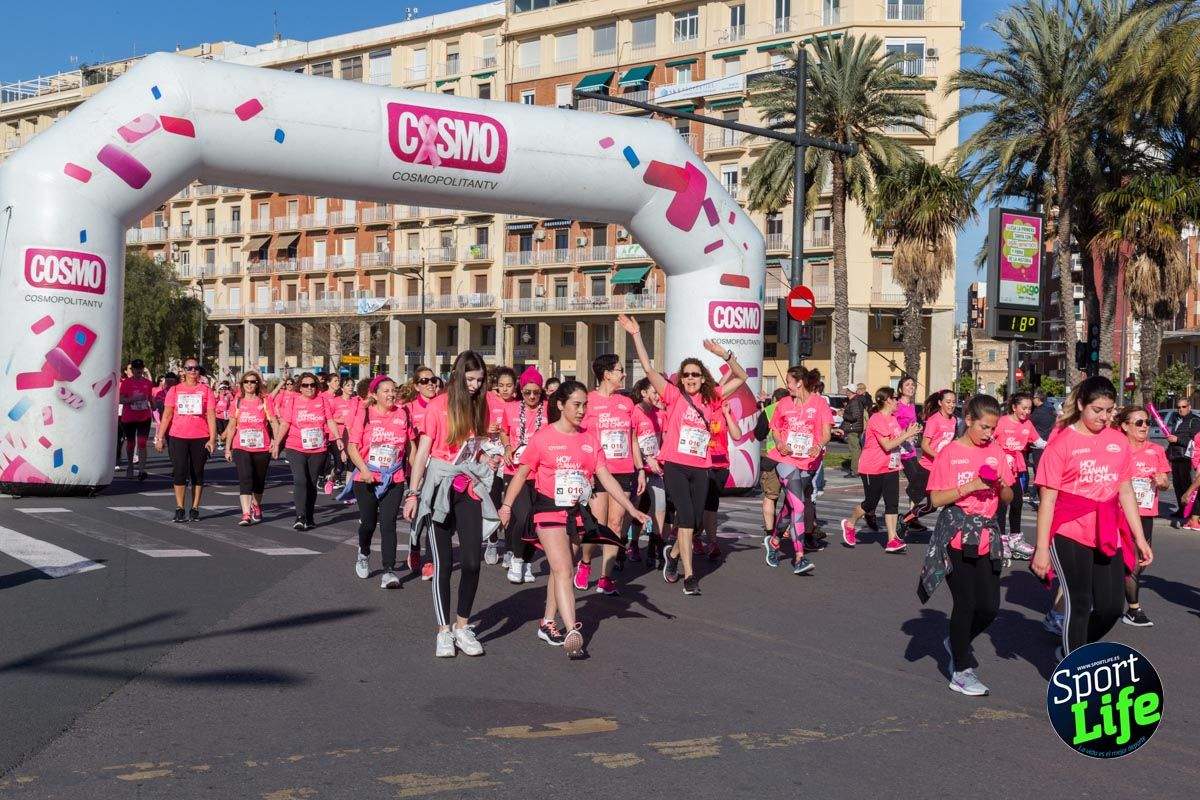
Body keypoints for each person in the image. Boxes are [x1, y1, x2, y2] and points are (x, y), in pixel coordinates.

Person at [499, 380, 649, 657]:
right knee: (564, 570)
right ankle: (572, 630)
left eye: (585, 405)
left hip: (576, 515)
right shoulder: (543, 437)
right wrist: (507, 505)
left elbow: (606, 477)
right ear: (560, 406)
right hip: (547, 510)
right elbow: (521, 474)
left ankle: (546, 622)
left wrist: (630, 507)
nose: (582, 410)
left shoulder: (589, 439)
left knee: (560, 571)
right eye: (576, 405)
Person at [617, 313, 748, 596]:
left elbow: (742, 376)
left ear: (703, 378)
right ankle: (690, 576)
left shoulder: (713, 397)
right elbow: (648, 368)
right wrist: (636, 334)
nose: (690, 378)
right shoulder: (674, 396)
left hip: (701, 466)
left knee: (697, 522)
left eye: (695, 375)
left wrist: (723, 353)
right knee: (687, 517)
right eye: (686, 374)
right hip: (676, 464)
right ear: (681, 378)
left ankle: (673, 555)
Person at [1032, 376, 1153, 657]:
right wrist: (1040, 550)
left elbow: (1125, 491)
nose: (1104, 417)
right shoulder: (1061, 443)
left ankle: (1072, 650)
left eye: (1109, 410)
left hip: (1107, 529)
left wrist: (1139, 538)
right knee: (1080, 601)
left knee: (1111, 607)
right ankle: (1073, 667)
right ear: (1081, 404)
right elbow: (1047, 499)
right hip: (1069, 531)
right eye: (1097, 410)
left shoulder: (1117, 441)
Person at [404, 351, 501, 658]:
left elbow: (477, 446)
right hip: (439, 485)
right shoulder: (437, 407)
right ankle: (444, 630)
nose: (475, 385)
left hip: (467, 483)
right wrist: (413, 492)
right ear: (459, 376)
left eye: (480, 380)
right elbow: (423, 452)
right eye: (470, 379)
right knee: (444, 564)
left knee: (472, 561)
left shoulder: (480, 406)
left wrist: (489, 458)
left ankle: (463, 625)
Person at [919, 394, 1013, 697]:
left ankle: (956, 640)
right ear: (968, 420)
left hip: (987, 536)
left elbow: (1009, 497)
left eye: (993, 429)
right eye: (984, 427)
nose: (989, 434)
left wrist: (1000, 486)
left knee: (989, 608)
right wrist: (969, 486)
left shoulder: (997, 452)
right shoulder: (950, 453)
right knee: (966, 603)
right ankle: (960, 670)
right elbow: (935, 500)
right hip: (956, 536)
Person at [575, 354, 644, 595]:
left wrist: (641, 470)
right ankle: (585, 563)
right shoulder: (589, 401)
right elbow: (579, 435)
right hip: (596, 471)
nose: (623, 374)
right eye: (619, 370)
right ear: (606, 374)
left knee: (616, 524)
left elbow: (633, 439)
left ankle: (605, 577)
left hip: (623, 471)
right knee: (597, 524)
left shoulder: (627, 404)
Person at [347, 375, 414, 590]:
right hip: (367, 477)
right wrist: (364, 470)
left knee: (388, 524)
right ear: (374, 395)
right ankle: (364, 552)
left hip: (394, 477)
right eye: (385, 390)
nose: (391, 394)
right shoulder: (365, 413)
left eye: (393, 390)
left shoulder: (402, 413)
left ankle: (388, 570)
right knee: (368, 523)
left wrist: (414, 476)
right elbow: (352, 447)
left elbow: (410, 447)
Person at [763, 366, 832, 575]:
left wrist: (818, 446)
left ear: (799, 382)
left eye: (789, 381)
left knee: (791, 507)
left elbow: (826, 433)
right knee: (800, 506)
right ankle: (799, 557)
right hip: (784, 460)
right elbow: (774, 429)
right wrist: (780, 442)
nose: (787, 385)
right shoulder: (783, 403)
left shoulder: (819, 403)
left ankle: (774, 541)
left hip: (808, 462)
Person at [841, 387, 919, 552]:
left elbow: (895, 439)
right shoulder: (877, 419)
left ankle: (891, 540)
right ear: (887, 400)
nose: (897, 402)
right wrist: (906, 435)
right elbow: (887, 444)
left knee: (892, 503)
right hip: (872, 467)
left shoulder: (892, 418)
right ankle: (850, 523)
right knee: (870, 504)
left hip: (891, 466)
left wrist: (908, 434)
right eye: (895, 399)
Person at [1115, 406, 1168, 627]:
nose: (1145, 426)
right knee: (1134, 563)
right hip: (1119, 513)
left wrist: (1162, 482)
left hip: (1145, 513)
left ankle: (1114, 583)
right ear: (1125, 426)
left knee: (1142, 562)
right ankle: (1134, 609)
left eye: (1147, 422)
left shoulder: (1156, 450)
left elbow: (1165, 482)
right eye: (1139, 423)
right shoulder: (1116, 450)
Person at [272, 372, 342, 530]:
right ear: (300, 387)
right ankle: (300, 516)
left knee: (311, 483)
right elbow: (285, 423)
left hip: (318, 448)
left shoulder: (322, 400)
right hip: (295, 446)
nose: (309, 388)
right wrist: (277, 443)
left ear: (317, 386)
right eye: (305, 385)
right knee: (300, 480)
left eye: (312, 385)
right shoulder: (293, 400)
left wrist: (337, 438)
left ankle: (309, 516)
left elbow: (330, 420)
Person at [154, 357, 217, 522]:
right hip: (178, 436)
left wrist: (213, 438)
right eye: (189, 368)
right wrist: (160, 437)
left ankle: (195, 507)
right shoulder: (174, 390)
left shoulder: (206, 391)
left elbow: (211, 415)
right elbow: (166, 415)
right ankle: (180, 507)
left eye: (195, 368)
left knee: (197, 473)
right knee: (180, 472)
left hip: (200, 437)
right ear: (184, 371)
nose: (193, 371)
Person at [502, 367, 548, 585]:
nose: (531, 397)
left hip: (541, 474)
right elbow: (503, 431)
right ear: (521, 390)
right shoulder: (510, 409)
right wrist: (507, 446)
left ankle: (528, 562)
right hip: (515, 472)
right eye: (527, 392)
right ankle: (517, 559)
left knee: (536, 520)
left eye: (536, 392)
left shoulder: (549, 410)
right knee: (524, 515)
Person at [992, 393, 1042, 561]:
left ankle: (1015, 538)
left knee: (1017, 502)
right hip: (1000, 467)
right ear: (1014, 407)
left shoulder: (1028, 424)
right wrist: (998, 455)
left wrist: (1055, 443)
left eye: (1029, 408)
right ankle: (1000, 539)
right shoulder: (1002, 422)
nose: (1027, 412)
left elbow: (1038, 441)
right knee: (1002, 504)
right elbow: (989, 439)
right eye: (1024, 408)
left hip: (1016, 467)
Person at [223, 370, 276, 525]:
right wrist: (228, 448)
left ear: (257, 384)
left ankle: (256, 504)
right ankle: (245, 513)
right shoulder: (237, 402)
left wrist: (275, 440)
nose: (250, 385)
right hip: (241, 446)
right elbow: (232, 426)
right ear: (242, 384)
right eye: (246, 382)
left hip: (262, 447)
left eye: (253, 382)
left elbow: (273, 422)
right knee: (245, 478)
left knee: (259, 481)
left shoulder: (265, 401)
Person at [902, 390, 957, 530]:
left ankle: (949, 529)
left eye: (953, 402)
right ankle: (905, 521)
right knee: (918, 499)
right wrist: (939, 456)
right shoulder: (934, 420)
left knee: (937, 504)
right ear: (940, 403)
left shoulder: (954, 420)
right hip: (928, 467)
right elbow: (924, 445)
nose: (951, 405)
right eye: (948, 402)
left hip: (944, 469)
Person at [405, 366, 441, 578]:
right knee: (419, 514)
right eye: (425, 381)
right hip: (418, 468)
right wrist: (418, 470)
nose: (430, 384)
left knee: (435, 515)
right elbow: (410, 445)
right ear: (416, 385)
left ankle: (430, 558)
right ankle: (414, 546)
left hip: (439, 469)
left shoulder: (443, 404)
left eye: (433, 380)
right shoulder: (409, 408)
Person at [484, 367, 519, 566]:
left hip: (511, 460)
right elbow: (475, 424)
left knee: (511, 505)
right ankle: (492, 541)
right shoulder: (489, 400)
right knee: (493, 501)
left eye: (509, 385)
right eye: (502, 385)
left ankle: (510, 548)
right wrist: (486, 428)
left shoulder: (518, 404)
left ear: (515, 387)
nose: (505, 389)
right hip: (490, 456)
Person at [756, 388, 790, 548]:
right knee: (791, 497)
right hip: (792, 459)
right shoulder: (794, 409)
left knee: (771, 496)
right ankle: (786, 528)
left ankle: (770, 532)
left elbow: (759, 434)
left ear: (775, 398)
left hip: (771, 459)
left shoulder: (769, 411)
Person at [118, 359, 155, 481]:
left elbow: (150, 398)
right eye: (136, 369)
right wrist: (132, 399)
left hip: (144, 416)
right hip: (129, 417)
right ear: (132, 370)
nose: (138, 371)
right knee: (130, 443)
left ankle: (141, 469)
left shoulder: (147, 383)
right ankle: (130, 466)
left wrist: (154, 407)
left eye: (140, 369)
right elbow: (121, 400)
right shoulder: (126, 383)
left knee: (142, 443)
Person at [1165, 396, 1200, 523]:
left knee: (1189, 486)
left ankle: (1193, 514)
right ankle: (1182, 510)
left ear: (1189, 407)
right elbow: (1172, 440)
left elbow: (1195, 442)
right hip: (1176, 457)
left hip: (1187, 459)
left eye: (1183, 407)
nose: (1181, 409)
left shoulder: (1194, 421)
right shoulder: (1177, 420)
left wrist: (1177, 440)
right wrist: (1168, 454)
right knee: (1178, 485)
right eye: (1179, 407)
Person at [895, 375, 923, 527]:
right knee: (916, 483)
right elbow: (892, 427)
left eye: (913, 385)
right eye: (907, 385)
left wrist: (917, 429)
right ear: (900, 389)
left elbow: (912, 426)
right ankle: (910, 517)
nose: (911, 387)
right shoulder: (896, 406)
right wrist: (906, 431)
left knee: (918, 483)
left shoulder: (912, 406)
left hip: (910, 449)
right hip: (899, 451)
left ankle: (912, 516)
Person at [1027, 391, 1057, 505]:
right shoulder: (1051, 410)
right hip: (1049, 442)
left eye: (1033, 397)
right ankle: (1036, 494)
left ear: (1038, 399)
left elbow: (1029, 423)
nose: (1033, 400)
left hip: (1038, 443)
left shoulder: (1037, 413)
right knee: (1044, 470)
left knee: (1038, 470)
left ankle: (1036, 494)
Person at [842, 384, 868, 478]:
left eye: (847, 390)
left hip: (853, 428)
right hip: (855, 428)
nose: (845, 392)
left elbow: (855, 416)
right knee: (857, 449)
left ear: (850, 391)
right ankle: (857, 469)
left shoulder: (854, 402)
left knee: (855, 450)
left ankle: (855, 471)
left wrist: (843, 415)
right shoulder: (855, 401)